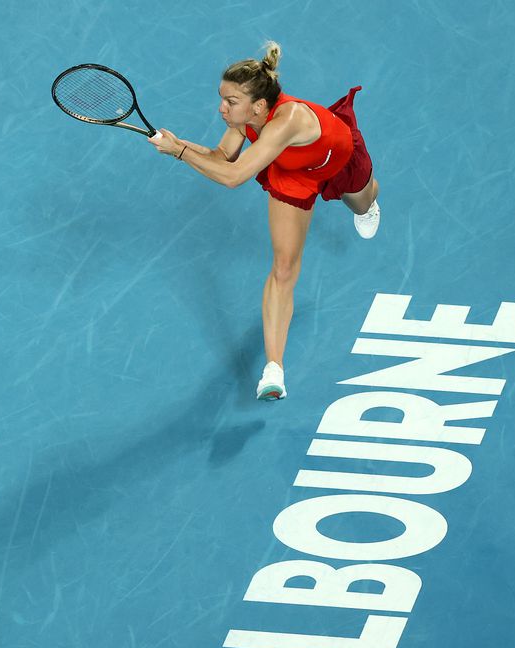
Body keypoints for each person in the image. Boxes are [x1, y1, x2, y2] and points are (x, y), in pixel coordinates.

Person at [149, 41, 380, 401]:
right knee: (284, 269)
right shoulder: (246, 120)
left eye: (230, 103)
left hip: (338, 159)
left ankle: (366, 204)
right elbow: (223, 157)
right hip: (293, 174)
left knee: (362, 201)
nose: (222, 109)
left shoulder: (286, 121)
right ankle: (274, 369)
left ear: (258, 105)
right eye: (222, 99)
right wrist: (183, 145)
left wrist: (178, 153)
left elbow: (233, 177)